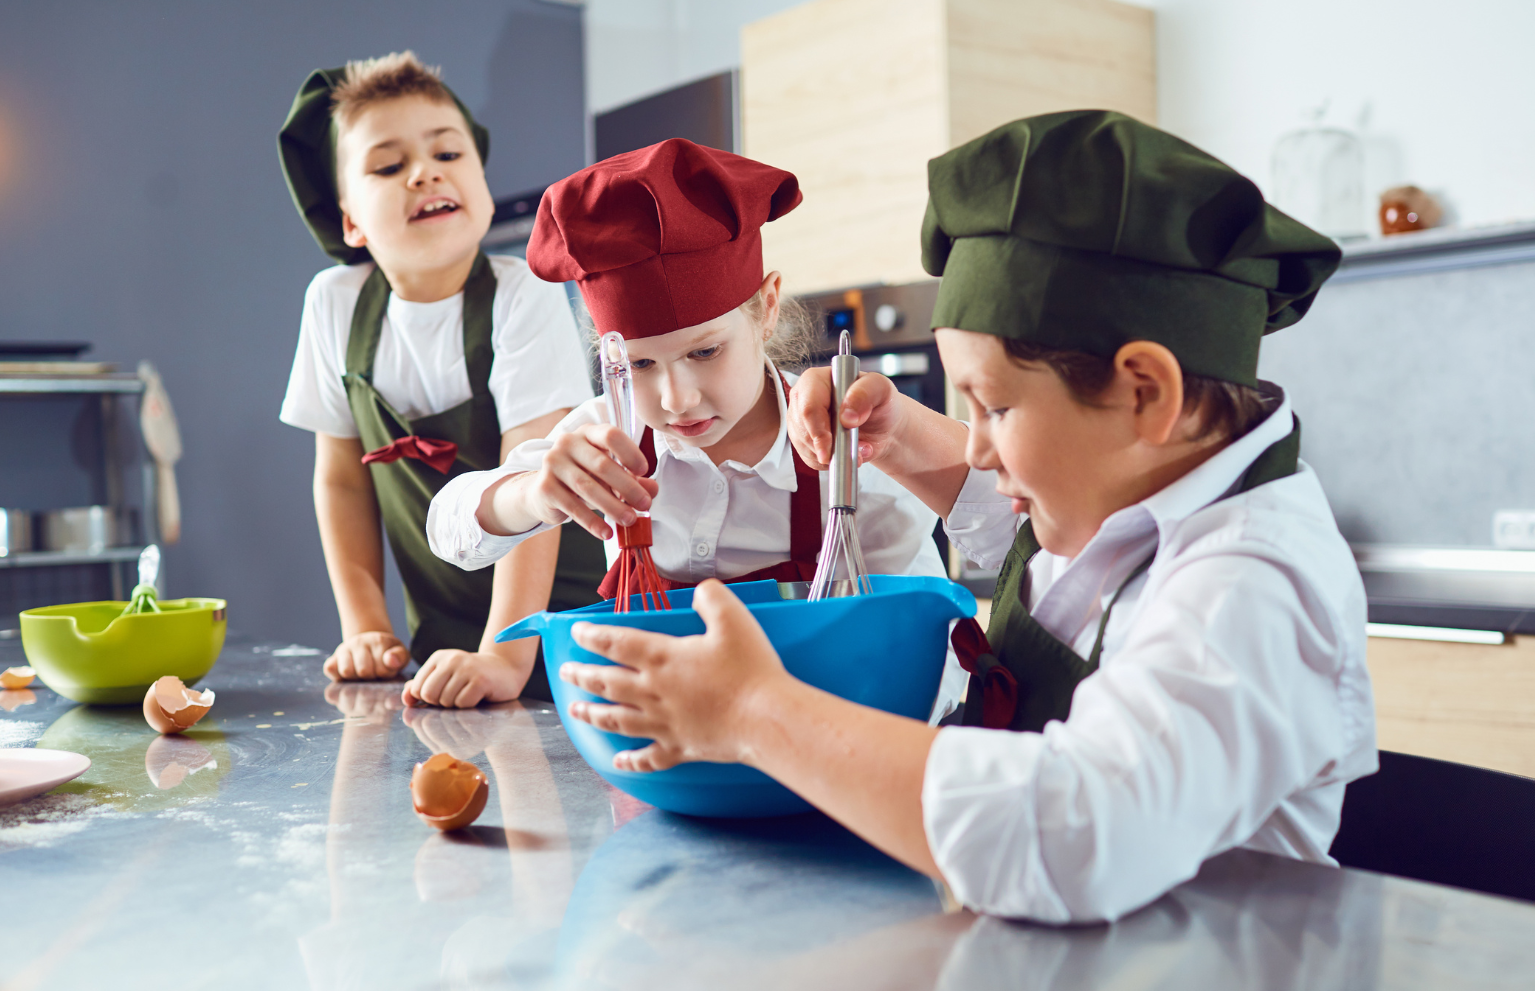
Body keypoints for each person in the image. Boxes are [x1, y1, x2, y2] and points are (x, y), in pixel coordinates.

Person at [550, 112, 1378, 923]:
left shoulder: (1251, 584)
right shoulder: (1129, 501)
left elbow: (1076, 834)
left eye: (994, 406)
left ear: (1144, 393)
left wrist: (755, 712)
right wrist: (899, 431)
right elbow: (1000, 517)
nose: (976, 447)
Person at [427, 138, 962, 715]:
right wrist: (530, 494)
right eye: (641, 365)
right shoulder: (609, 432)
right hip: (661, 751)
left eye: (705, 353)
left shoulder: (848, 454)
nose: (676, 398)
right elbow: (448, 527)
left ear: (768, 306)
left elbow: (927, 651)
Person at [276, 52, 604, 705]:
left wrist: (504, 655)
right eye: (388, 165)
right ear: (350, 222)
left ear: (480, 182)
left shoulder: (524, 293)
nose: (424, 172)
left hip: (573, 629)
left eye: (448, 155)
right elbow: (341, 479)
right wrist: (366, 625)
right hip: (448, 645)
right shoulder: (334, 304)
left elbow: (531, 475)